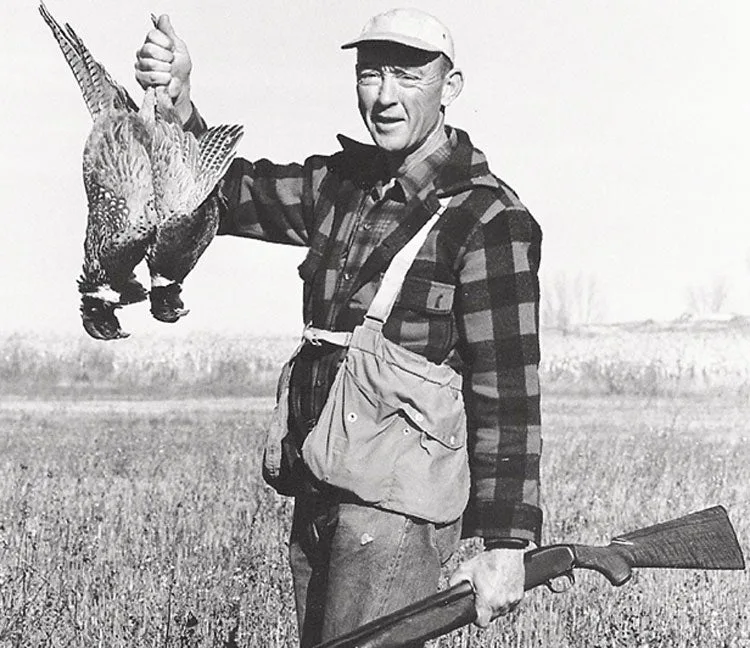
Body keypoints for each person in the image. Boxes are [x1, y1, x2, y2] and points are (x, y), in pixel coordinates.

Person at [135, 8, 543, 646]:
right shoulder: (340, 186)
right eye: (369, 74)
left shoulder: (488, 218)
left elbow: (508, 392)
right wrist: (178, 101)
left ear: (451, 87)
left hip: (396, 515)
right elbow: (220, 193)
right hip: (320, 491)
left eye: (407, 76)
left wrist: (507, 542)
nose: (383, 96)